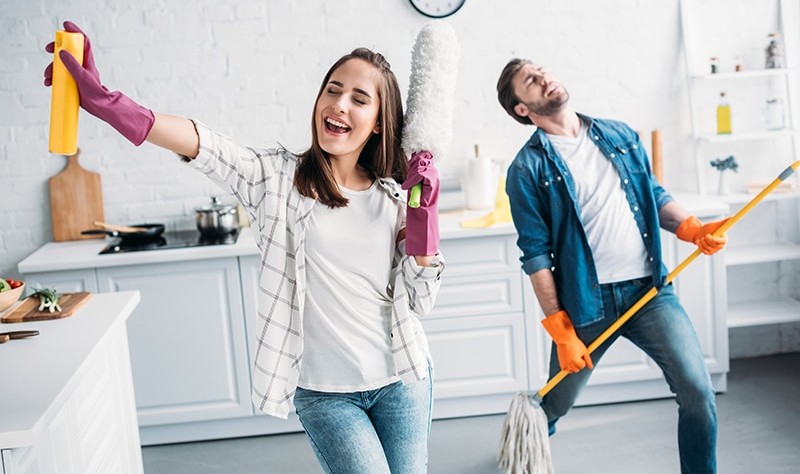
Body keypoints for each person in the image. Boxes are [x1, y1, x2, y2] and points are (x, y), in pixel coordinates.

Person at [45, 21, 445, 474]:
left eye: (359, 98)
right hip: (326, 395)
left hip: (402, 379)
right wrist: (111, 104)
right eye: (333, 90)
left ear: (378, 123)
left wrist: (424, 221)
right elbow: (205, 144)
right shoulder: (275, 180)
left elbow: (422, 300)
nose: (339, 104)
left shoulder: (395, 198)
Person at [496, 58, 728, 474]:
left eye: (543, 70)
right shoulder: (526, 169)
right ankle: (523, 451)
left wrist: (691, 229)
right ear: (522, 109)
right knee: (555, 401)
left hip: (649, 294)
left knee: (698, 391)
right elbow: (536, 254)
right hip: (587, 304)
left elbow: (653, 194)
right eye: (531, 79)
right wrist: (560, 330)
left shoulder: (619, 134)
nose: (545, 77)